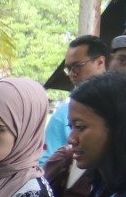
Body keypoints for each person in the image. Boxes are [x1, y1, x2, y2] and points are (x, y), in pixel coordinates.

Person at [43, 35, 109, 163]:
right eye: (68, 68)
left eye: (77, 66)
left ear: (100, 62)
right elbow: (47, 162)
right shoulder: (63, 113)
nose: (72, 73)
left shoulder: (119, 104)